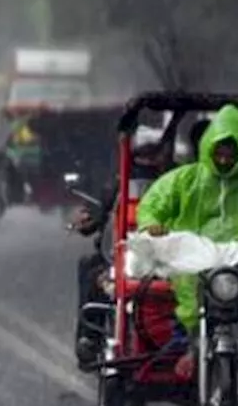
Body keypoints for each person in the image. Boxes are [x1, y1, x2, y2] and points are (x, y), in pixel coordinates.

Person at [136, 103, 238, 379]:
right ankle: (189, 344)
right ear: (208, 148)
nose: (224, 159)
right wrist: (153, 224)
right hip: (198, 259)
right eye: (219, 152)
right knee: (183, 294)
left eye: (230, 153)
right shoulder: (187, 179)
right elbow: (155, 202)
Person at [71, 138, 175, 371]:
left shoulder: (179, 181)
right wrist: (88, 219)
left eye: (153, 155)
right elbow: (98, 211)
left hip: (168, 256)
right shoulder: (119, 185)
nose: (148, 161)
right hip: (124, 252)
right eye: (143, 155)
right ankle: (90, 337)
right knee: (91, 268)